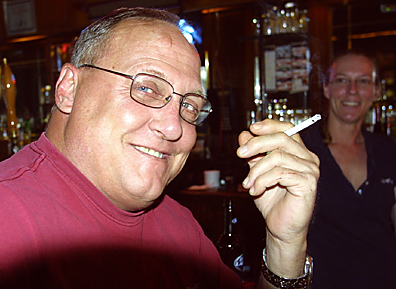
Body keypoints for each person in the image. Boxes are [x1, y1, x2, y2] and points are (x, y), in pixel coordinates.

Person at [0, 7, 319, 289]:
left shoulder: (178, 226)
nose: (174, 127)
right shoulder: (10, 218)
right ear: (69, 89)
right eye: (146, 88)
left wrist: (284, 244)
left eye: (190, 107)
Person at [301, 49, 396, 288]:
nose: (352, 90)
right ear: (327, 88)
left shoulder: (387, 150)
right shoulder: (302, 149)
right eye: (342, 80)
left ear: (376, 91)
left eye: (363, 81)